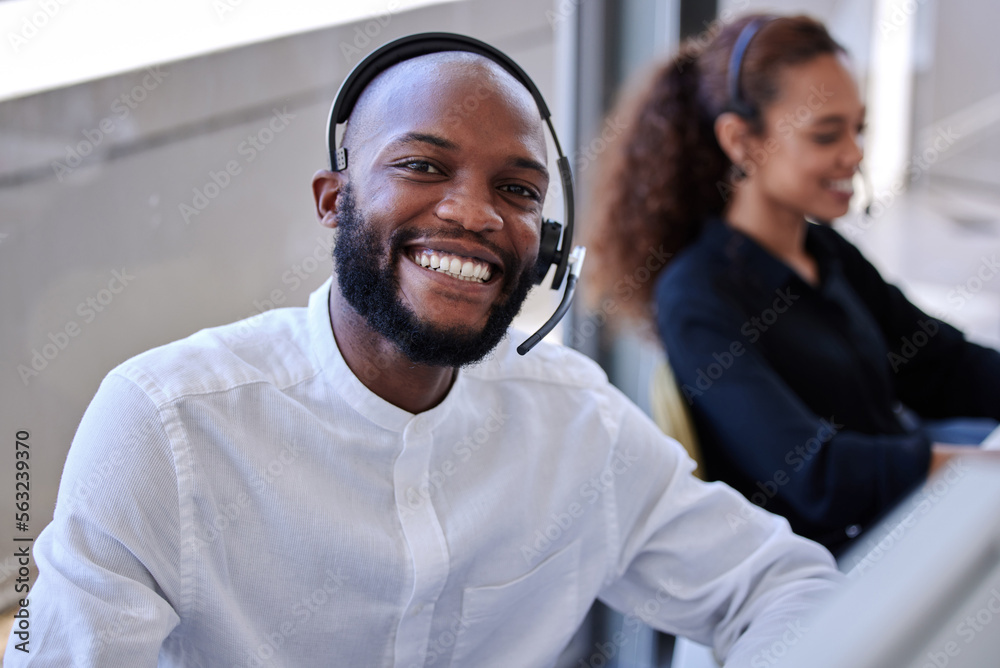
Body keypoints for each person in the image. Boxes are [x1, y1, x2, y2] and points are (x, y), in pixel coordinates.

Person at [5, 35, 842, 667]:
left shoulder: (574, 420)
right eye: (421, 166)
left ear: (546, 244)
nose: (474, 214)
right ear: (336, 202)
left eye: (516, 190)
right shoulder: (167, 423)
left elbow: (784, 584)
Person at [584, 14, 1000, 555]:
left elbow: (940, 366)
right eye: (826, 133)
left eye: (859, 128)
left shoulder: (823, 250)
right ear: (741, 140)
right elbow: (812, 478)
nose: (853, 154)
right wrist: (971, 466)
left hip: (902, 515)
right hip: (833, 565)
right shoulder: (697, 297)